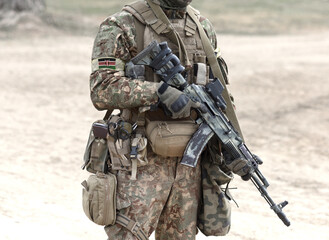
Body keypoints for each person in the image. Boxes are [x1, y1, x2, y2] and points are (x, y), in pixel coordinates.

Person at [89, 0, 250, 239]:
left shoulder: (202, 27)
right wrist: (158, 93)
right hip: (139, 161)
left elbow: (222, 97)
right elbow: (101, 90)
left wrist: (233, 148)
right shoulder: (122, 25)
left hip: (189, 166)